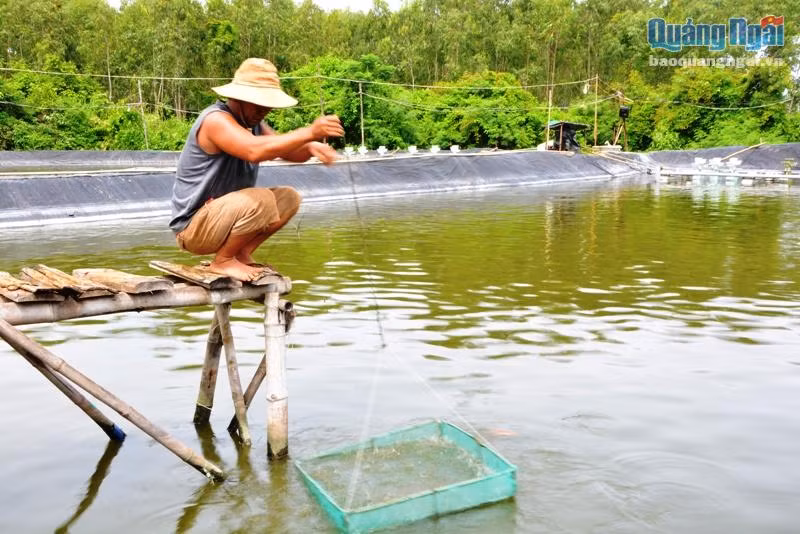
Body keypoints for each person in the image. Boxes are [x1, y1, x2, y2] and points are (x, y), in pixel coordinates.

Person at [169, 58, 344, 281]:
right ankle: (222, 261)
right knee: (262, 199)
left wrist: (311, 147)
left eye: (267, 104)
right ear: (238, 98)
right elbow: (254, 150)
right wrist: (309, 131)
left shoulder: (254, 125)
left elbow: (290, 152)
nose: (265, 110)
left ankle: (239, 253)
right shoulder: (215, 120)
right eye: (258, 103)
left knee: (288, 198)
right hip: (194, 228)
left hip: (223, 218)